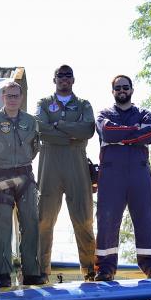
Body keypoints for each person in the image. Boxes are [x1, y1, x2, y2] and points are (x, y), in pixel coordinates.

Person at [93, 75, 151, 281]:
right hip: (111, 174)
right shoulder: (103, 114)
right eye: (117, 88)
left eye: (125, 87)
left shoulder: (145, 113)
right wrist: (134, 133)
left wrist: (122, 138)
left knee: (146, 219)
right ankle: (105, 268)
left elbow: (150, 134)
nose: (121, 90)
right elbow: (107, 132)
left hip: (139, 173)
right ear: (112, 91)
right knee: (107, 221)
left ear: (132, 90)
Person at [0, 81, 44, 287]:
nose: (12, 99)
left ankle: (31, 272)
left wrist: (20, 164)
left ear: (21, 98)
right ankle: (3, 272)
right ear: (2, 97)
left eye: (16, 96)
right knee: (2, 225)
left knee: (31, 223)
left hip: (24, 176)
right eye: (9, 96)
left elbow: (35, 148)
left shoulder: (31, 121)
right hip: (1, 177)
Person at [35, 65, 97, 282]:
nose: (64, 79)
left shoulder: (83, 104)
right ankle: (41, 271)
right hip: (49, 162)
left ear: (73, 80)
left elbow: (88, 130)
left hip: (76, 162)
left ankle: (89, 269)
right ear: (54, 79)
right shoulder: (43, 103)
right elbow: (40, 128)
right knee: (44, 219)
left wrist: (58, 125)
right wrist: (71, 132)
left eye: (68, 75)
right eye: (60, 76)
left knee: (83, 218)